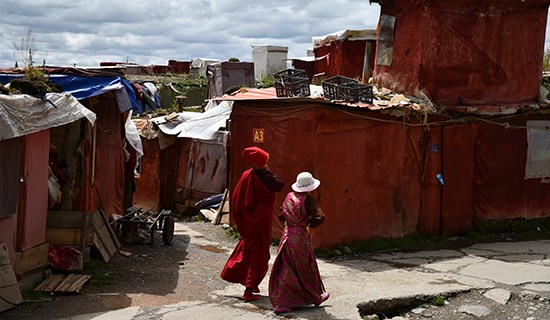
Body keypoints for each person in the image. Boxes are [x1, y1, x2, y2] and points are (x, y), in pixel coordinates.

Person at [220, 146, 285, 301]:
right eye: (266, 161)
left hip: (250, 222)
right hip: (260, 223)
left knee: (251, 252)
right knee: (257, 255)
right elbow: (279, 185)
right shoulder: (265, 177)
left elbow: (237, 199)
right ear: (261, 163)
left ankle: (253, 284)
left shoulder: (247, 175)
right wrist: (266, 171)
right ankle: (248, 291)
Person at [268, 171, 330, 314]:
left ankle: (282, 302)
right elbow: (320, 217)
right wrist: (307, 222)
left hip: (287, 235)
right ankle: (314, 297)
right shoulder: (308, 201)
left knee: (286, 267)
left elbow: (281, 213)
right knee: (304, 268)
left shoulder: (289, 197)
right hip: (300, 236)